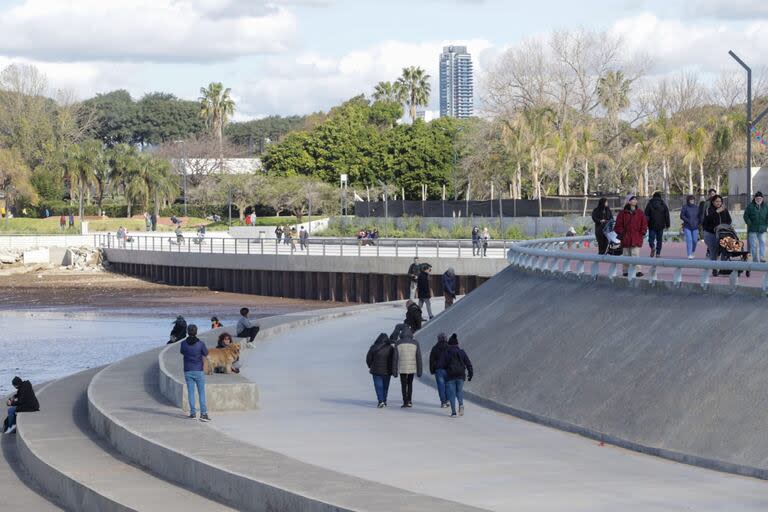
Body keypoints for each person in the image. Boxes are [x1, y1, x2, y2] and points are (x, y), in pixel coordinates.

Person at [438, 334, 473, 418]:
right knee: (459, 391)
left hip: (450, 376)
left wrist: (443, 371)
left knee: (452, 394)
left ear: (449, 344)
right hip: (461, 375)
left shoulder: (446, 353)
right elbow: (468, 363)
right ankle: (461, 405)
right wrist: (470, 373)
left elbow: (440, 365)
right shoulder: (462, 352)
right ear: (457, 344)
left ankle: (454, 413)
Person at [179, 325, 209, 421]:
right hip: (198, 370)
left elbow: (182, 352)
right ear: (196, 332)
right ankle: (203, 414)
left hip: (188, 370)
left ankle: (193, 413)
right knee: (201, 393)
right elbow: (206, 353)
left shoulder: (183, 343)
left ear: (188, 332)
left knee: (191, 392)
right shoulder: (200, 344)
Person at [614, 195, 647, 278]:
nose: (635, 201)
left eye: (636, 199)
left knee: (635, 254)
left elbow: (644, 224)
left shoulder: (640, 213)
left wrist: (642, 232)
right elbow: (618, 225)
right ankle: (626, 271)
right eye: (633, 199)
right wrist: (622, 233)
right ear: (629, 201)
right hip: (626, 237)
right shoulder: (622, 213)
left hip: (636, 236)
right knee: (626, 255)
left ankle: (638, 271)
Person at [702, 194, 732, 276]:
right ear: (713, 202)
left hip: (722, 233)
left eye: (720, 201)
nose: (719, 203)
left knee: (724, 250)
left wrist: (724, 227)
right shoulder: (709, 209)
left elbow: (729, 220)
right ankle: (714, 269)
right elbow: (707, 219)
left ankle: (723, 268)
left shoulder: (724, 209)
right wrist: (717, 212)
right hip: (711, 233)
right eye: (717, 201)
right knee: (714, 252)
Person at [366, 333, 398, 408]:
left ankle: (381, 401)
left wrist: (370, 365)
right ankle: (384, 400)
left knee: (378, 386)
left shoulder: (373, 347)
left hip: (376, 370)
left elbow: (368, 358)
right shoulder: (391, 348)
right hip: (387, 370)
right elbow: (394, 359)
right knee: (385, 386)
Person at [395, 326, 422, 408]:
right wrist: (419, 370)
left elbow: (395, 358)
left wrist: (394, 370)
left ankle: (405, 401)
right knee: (410, 384)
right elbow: (418, 357)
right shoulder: (415, 343)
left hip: (402, 368)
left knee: (403, 384)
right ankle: (409, 400)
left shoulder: (398, 343)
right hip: (412, 368)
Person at [744, 191, 768, 264]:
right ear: (754, 198)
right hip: (752, 229)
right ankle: (755, 259)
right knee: (753, 245)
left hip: (762, 229)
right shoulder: (750, 206)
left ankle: (762, 257)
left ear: (762, 199)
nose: (758, 200)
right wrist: (749, 223)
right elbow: (745, 216)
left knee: (763, 243)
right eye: (757, 198)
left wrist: (766, 224)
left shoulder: (766, 206)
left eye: (760, 198)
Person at [644, 191, 670, 258]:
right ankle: (658, 253)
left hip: (652, 225)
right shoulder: (663, 204)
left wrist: (645, 224)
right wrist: (667, 224)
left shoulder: (649, 204)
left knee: (651, 239)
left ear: (653, 197)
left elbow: (646, 215)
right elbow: (667, 215)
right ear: (660, 197)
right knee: (659, 240)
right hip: (661, 225)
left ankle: (652, 246)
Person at [429, 333, 450, 408]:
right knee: (448, 385)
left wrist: (432, 370)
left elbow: (431, 360)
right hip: (448, 370)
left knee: (441, 386)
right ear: (446, 339)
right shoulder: (449, 347)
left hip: (438, 370)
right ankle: (447, 400)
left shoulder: (435, 348)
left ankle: (443, 402)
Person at [680, 195, 701, 259]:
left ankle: (692, 251)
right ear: (688, 200)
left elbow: (699, 216)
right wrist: (688, 221)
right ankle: (689, 254)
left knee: (694, 240)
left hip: (695, 227)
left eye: (693, 200)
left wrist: (698, 222)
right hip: (687, 226)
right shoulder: (685, 207)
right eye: (691, 200)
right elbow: (682, 216)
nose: (692, 201)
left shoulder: (697, 207)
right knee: (689, 240)